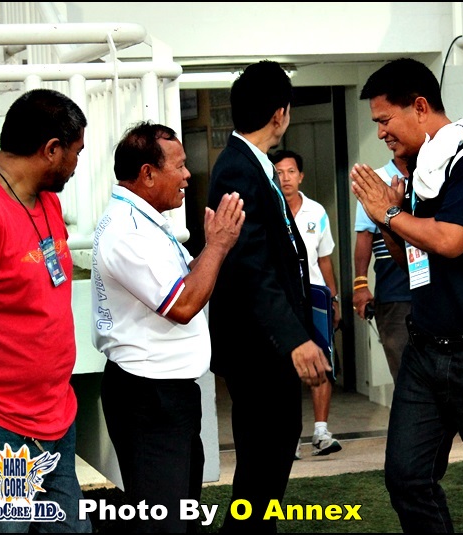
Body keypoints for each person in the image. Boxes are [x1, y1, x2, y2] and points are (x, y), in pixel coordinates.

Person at [351, 57, 463, 533]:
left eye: (385, 119)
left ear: (420, 107)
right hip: (424, 348)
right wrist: (392, 218)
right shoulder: (421, 165)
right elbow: (413, 261)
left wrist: (389, 214)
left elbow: (451, 240)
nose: (381, 133)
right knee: (406, 479)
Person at [91, 121, 245, 532]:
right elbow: (184, 304)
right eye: (179, 166)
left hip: (166, 394)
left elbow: (184, 282)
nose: (187, 175)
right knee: (165, 521)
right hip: (149, 397)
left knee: (181, 514)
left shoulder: (146, 221)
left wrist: (212, 248)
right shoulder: (128, 231)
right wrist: (217, 245)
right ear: (147, 174)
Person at [206, 60, 331, 533]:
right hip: (258, 348)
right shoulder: (238, 169)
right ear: (280, 114)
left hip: (267, 343)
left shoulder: (254, 165)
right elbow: (250, 266)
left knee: (272, 454)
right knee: (264, 461)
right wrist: (293, 338)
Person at [0, 88, 92, 533]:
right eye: (76, 153)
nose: (76, 165)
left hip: (55, 415)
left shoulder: (48, 200)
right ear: (51, 149)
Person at [270, 149, 343, 459]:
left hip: (314, 297)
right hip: (282, 299)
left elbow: (324, 259)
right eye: (279, 172)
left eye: (291, 172)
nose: (285, 178)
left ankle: (321, 432)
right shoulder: (269, 209)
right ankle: (288, 438)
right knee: (284, 367)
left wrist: (333, 298)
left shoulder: (317, 212)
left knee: (321, 360)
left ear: (300, 176)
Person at [352, 153, 412, 383]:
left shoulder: (434, 171)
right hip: (395, 293)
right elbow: (364, 237)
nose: (385, 136)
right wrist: (360, 285)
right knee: (403, 373)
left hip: (435, 289)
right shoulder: (375, 180)